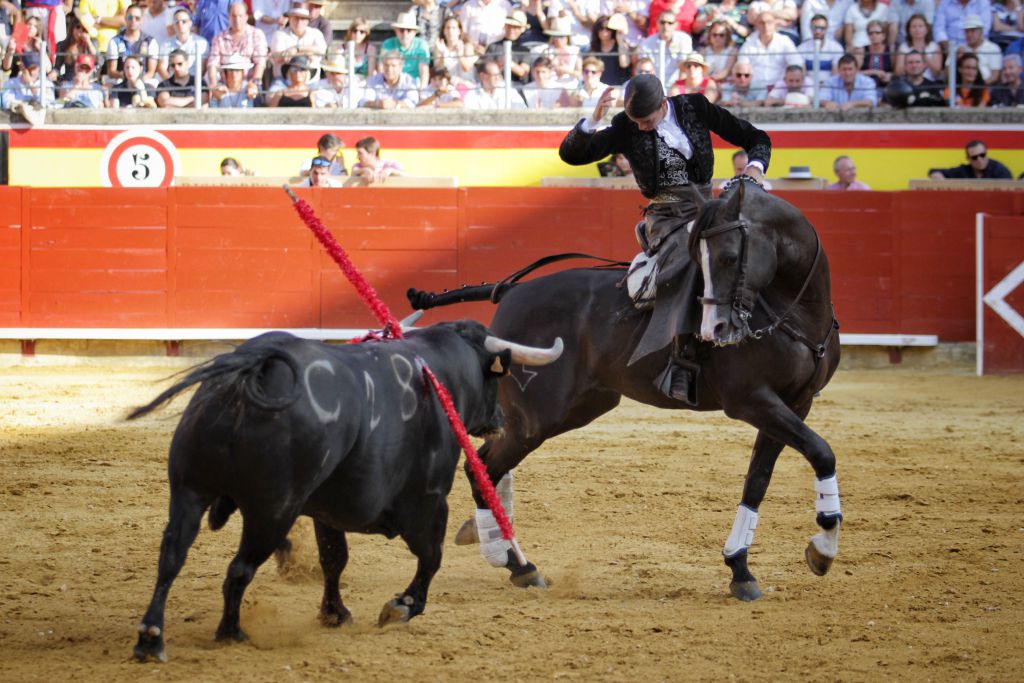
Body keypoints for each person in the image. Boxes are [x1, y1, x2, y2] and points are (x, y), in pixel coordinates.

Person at [557, 73, 771, 403]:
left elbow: (755, 137)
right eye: (636, 121)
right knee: (687, 262)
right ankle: (680, 361)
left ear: (663, 104)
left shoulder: (696, 107)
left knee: (755, 246)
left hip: (709, 208)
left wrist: (754, 168)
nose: (641, 127)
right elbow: (572, 155)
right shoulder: (625, 126)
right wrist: (594, 118)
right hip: (667, 217)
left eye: (647, 120)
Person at [737, 10, 801, 92]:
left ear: (775, 24)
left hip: (780, 89)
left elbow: (796, 63)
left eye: (769, 22)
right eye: (762, 23)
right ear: (756, 25)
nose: (765, 26)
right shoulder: (748, 44)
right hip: (754, 89)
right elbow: (742, 67)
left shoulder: (785, 41)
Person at [207, 1, 268, 88]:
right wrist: (214, 85)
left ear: (246, 17)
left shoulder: (257, 34)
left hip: (249, 84)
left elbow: (260, 62)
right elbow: (212, 63)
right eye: (234, 16)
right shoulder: (219, 37)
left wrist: (254, 84)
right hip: (224, 85)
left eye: (240, 16)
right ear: (229, 17)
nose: (237, 20)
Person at [268, 2, 326, 83]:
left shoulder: (316, 34)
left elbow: (321, 51)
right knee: (272, 95)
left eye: (302, 18)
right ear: (290, 19)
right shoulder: (279, 34)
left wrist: (296, 49)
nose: (299, 22)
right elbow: (278, 57)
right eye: (296, 18)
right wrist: (308, 52)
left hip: (312, 82)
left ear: (307, 21)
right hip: (283, 82)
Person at [105, 4, 161, 83]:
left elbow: (151, 72)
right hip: (121, 80)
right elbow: (111, 72)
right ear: (125, 19)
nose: (133, 20)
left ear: (142, 20)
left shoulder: (150, 41)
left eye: (137, 18)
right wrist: (128, 78)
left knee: (153, 83)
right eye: (130, 17)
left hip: (143, 81)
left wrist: (138, 82)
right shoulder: (115, 41)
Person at [638, 9, 693, 84]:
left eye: (670, 23)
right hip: (653, 85)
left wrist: (679, 90)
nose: (665, 26)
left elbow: (684, 68)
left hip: (676, 85)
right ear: (657, 23)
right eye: (662, 22)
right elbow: (643, 68)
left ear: (676, 24)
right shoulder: (647, 43)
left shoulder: (684, 39)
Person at [382, 10, 432, 86]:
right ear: (396, 31)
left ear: (414, 32)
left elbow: (424, 71)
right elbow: (381, 68)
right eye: (402, 30)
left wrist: (422, 90)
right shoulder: (387, 44)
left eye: (409, 30)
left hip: (414, 84)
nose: (405, 34)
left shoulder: (422, 45)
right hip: (392, 83)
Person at [157, 8, 209, 81]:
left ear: (190, 23)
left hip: (195, 83)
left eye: (184, 21)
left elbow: (202, 68)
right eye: (177, 22)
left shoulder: (201, 43)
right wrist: (171, 83)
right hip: (172, 83)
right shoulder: (165, 44)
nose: (180, 24)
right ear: (173, 25)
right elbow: (162, 68)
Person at [797, 14, 845, 90]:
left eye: (821, 28)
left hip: (830, 87)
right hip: (808, 88)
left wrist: (825, 84)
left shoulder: (836, 48)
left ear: (827, 29)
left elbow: (836, 75)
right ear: (810, 28)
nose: (818, 31)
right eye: (814, 28)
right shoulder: (801, 48)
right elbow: (802, 74)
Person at [484, 10, 531, 85]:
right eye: (509, 26)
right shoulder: (493, 47)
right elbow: (485, 69)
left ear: (522, 29)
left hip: (516, 86)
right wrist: (498, 65)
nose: (511, 30)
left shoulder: (525, 51)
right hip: (495, 85)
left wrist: (508, 62)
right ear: (505, 26)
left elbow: (524, 73)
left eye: (515, 27)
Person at [463, 56, 528, 108]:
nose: (498, 78)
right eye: (495, 75)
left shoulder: (508, 89)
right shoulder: (472, 93)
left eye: (498, 74)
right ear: (482, 76)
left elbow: (522, 108)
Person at [587, 13, 632, 86]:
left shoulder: (621, 45)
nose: (604, 31)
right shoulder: (593, 49)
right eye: (601, 28)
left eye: (608, 29)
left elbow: (624, 64)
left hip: (620, 86)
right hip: (600, 88)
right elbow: (591, 69)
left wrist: (620, 40)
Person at [928, 140, 1013, 179]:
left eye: (982, 155)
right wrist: (942, 183)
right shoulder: (963, 171)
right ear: (968, 159)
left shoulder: (1000, 170)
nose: (979, 159)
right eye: (974, 157)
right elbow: (934, 171)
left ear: (987, 154)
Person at [894, 13, 943, 80]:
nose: (917, 29)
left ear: (926, 29)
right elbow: (898, 73)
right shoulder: (903, 47)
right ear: (909, 30)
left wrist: (925, 57)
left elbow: (937, 73)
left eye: (920, 26)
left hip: (929, 82)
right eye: (914, 26)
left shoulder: (934, 46)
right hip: (908, 82)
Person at [956, 14, 1003, 84]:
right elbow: (947, 75)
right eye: (966, 31)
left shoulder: (993, 48)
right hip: (962, 89)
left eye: (972, 31)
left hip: (986, 87)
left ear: (981, 31)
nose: (969, 34)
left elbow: (995, 76)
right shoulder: (959, 49)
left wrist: (978, 88)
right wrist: (956, 60)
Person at [437, 14, 480, 87]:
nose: (450, 31)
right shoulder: (440, 47)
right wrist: (443, 54)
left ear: (459, 31)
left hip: (467, 86)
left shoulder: (467, 46)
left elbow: (467, 68)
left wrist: (459, 54)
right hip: (449, 86)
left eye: (454, 28)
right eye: (448, 28)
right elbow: (438, 71)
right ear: (443, 31)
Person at [701, 19, 739, 85]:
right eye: (714, 35)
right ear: (710, 35)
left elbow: (725, 73)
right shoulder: (703, 51)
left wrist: (708, 80)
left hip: (725, 85)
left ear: (727, 37)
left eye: (721, 35)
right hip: (706, 85)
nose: (717, 38)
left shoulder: (733, 51)